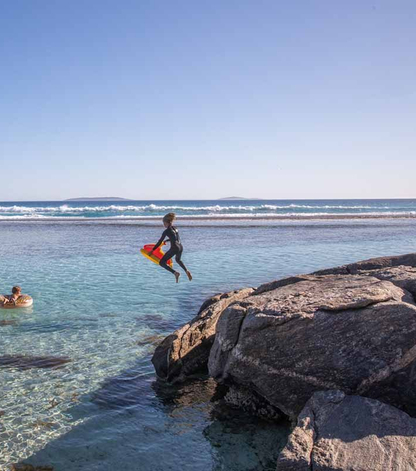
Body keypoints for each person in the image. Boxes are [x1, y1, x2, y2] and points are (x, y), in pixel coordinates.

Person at [150, 213, 192, 283]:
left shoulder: (166, 231)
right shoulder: (175, 228)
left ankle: (175, 273)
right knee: (178, 260)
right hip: (180, 247)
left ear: (166, 222)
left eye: (164, 223)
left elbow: (159, 241)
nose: (164, 225)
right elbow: (175, 238)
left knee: (162, 262)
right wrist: (167, 240)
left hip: (174, 248)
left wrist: (153, 250)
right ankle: (186, 270)